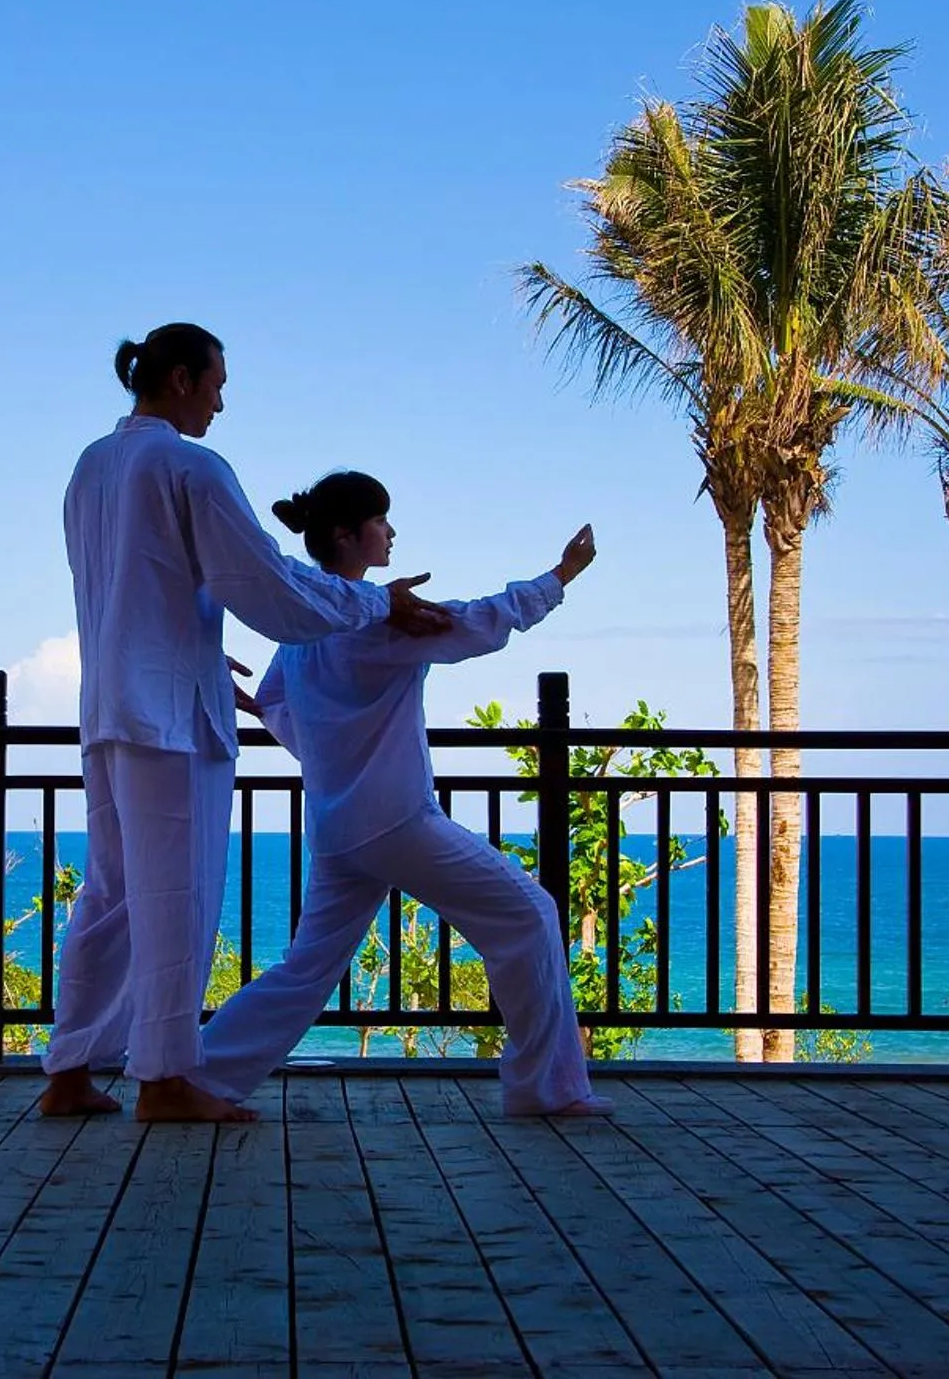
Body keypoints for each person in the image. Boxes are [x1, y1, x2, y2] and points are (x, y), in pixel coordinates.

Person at [44, 325, 453, 1122]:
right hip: (169, 721)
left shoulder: (91, 466)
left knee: (113, 892)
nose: (223, 401)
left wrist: (195, 656)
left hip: (111, 709)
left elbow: (132, 592)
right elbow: (264, 582)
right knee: (177, 897)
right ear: (181, 377)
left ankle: (70, 1069)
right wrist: (376, 600)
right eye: (218, 382)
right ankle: (164, 1079)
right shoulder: (188, 464)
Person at [191, 471, 611, 1118]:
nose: (391, 533)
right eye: (381, 522)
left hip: (337, 828)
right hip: (394, 823)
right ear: (346, 535)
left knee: (305, 970)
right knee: (528, 915)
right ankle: (544, 1088)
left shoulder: (306, 624)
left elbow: (275, 703)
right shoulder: (380, 617)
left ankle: (200, 1073)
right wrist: (562, 575)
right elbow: (476, 622)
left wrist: (277, 716)